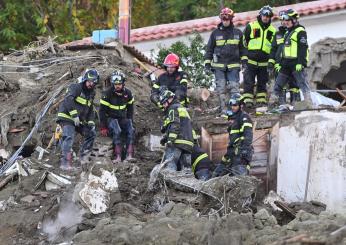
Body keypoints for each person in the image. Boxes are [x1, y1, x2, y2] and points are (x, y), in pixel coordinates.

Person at [204, 7, 246, 114]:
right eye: (223, 18)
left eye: (227, 18)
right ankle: (224, 110)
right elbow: (209, 49)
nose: (225, 20)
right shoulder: (215, 33)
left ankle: (236, 111)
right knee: (221, 88)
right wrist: (207, 63)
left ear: (231, 19)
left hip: (233, 65)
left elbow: (243, 49)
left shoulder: (238, 33)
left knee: (234, 88)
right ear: (221, 19)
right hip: (219, 66)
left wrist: (244, 61)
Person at [57, 69, 98, 170]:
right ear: (84, 80)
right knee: (69, 136)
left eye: (93, 82)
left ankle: (83, 158)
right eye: (89, 81)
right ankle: (65, 164)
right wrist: (74, 115)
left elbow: (90, 109)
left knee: (91, 134)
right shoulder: (75, 87)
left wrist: (91, 122)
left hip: (78, 120)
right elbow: (68, 100)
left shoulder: (91, 93)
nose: (90, 84)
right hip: (66, 117)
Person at [273, 9, 312, 107]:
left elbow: (303, 48)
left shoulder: (300, 31)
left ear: (294, 20)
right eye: (285, 21)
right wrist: (279, 63)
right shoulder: (287, 32)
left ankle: (309, 103)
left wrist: (301, 63)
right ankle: (273, 104)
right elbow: (283, 50)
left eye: (288, 21)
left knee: (302, 84)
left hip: (296, 63)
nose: (286, 23)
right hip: (285, 64)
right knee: (278, 85)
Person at [242, 5, 276, 108]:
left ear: (270, 17)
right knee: (248, 81)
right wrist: (244, 58)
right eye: (264, 15)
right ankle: (248, 101)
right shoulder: (251, 26)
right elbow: (244, 43)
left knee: (262, 82)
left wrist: (271, 61)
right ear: (260, 15)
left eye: (268, 16)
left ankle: (261, 101)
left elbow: (274, 47)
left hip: (264, 61)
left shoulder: (273, 30)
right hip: (251, 60)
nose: (266, 17)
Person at [212, 93, 253, 177]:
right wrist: (225, 159)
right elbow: (232, 143)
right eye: (231, 104)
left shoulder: (244, 117)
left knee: (239, 179)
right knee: (216, 175)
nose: (232, 107)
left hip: (241, 154)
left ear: (241, 105)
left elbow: (248, 134)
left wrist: (245, 148)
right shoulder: (235, 120)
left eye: (235, 105)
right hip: (232, 153)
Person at [99, 70, 135, 163]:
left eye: (119, 83)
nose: (117, 86)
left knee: (131, 129)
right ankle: (118, 156)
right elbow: (102, 112)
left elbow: (130, 110)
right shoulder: (107, 94)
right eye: (115, 84)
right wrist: (103, 127)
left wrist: (130, 120)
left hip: (122, 118)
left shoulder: (128, 93)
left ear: (123, 83)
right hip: (110, 118)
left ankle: (129, 155)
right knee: (117, 130)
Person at [268, 10, 300, 106]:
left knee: (294, 83)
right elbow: (273, 49)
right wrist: (271, 62)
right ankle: (281, 103)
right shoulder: (277, 34)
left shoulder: (296, 31)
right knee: (280, 84)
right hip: (280, 64)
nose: (284, 22)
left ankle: (295, 102)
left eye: (285, 19)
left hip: (293, 62)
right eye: (282, 20)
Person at [159, 90, 194, 171]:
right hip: (188, 144)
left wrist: (170, 140)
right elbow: (184, 126)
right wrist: (165, 138)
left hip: (177, 142)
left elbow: (175, 124)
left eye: (164, 103)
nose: (164, 105)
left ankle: (170, 183)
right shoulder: (181, 108)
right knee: (186, 171)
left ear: (170, 99)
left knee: (170, 167)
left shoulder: (173, 108)